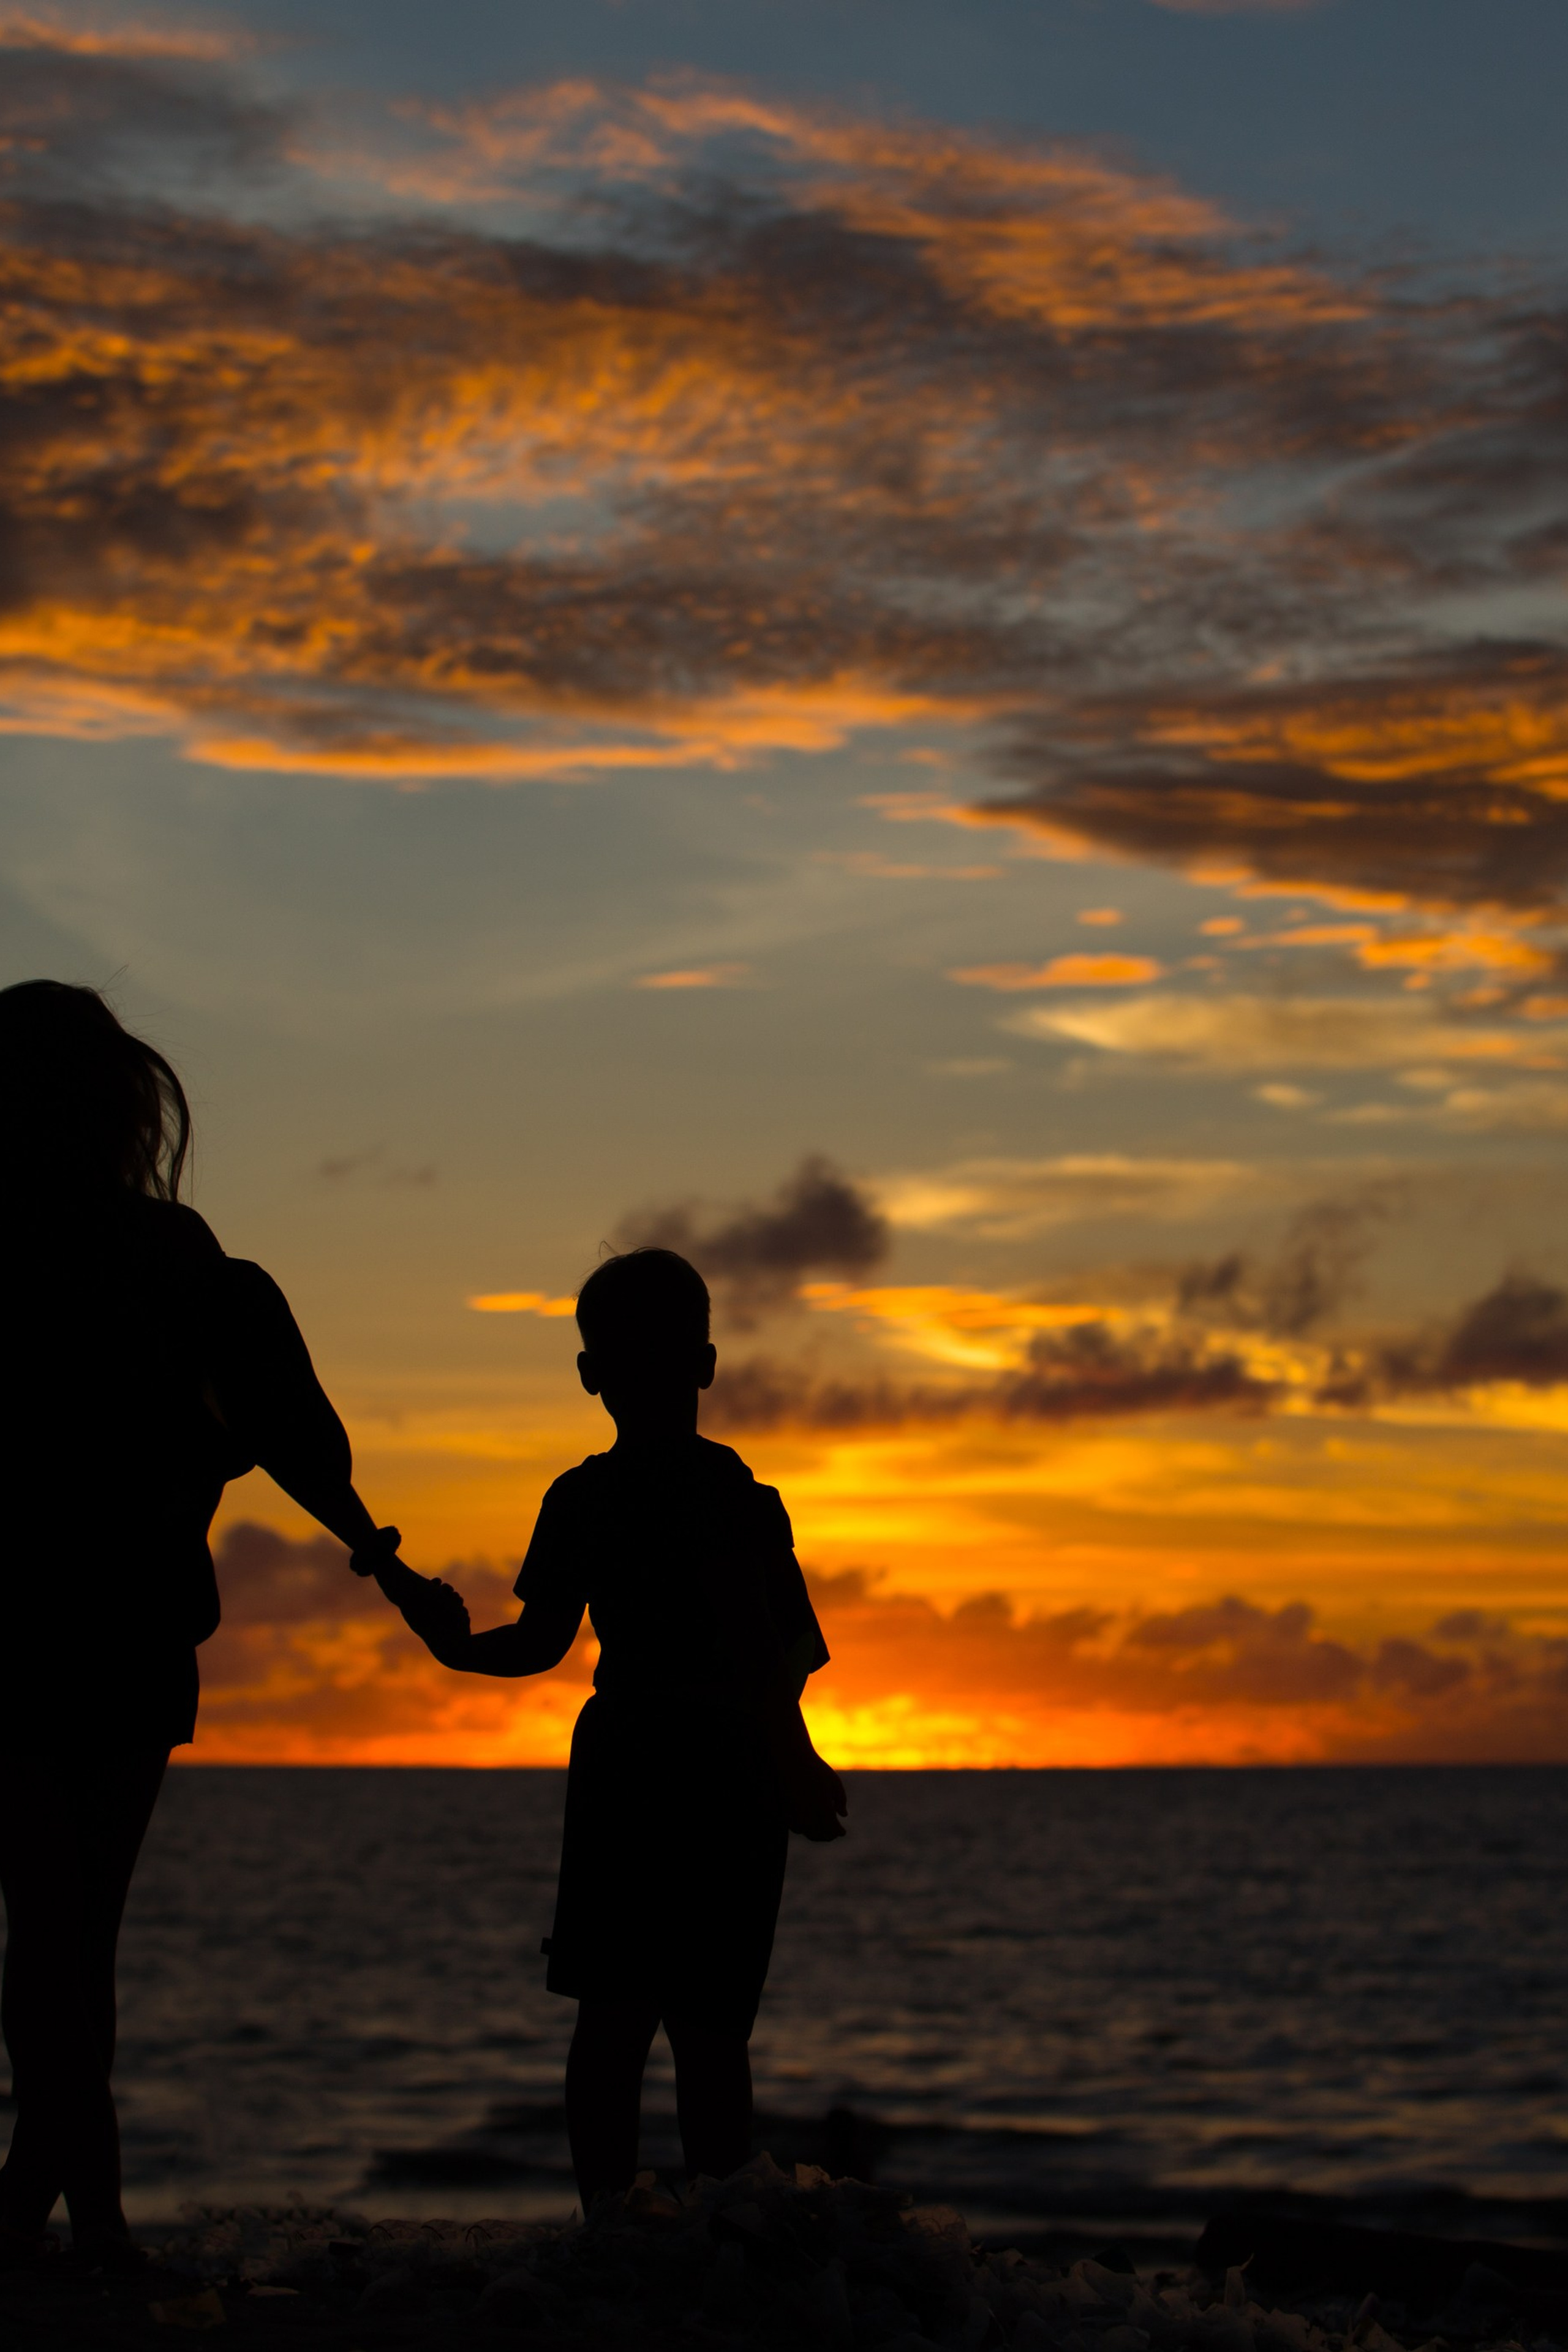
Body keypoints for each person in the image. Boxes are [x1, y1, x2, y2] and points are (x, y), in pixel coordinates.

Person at [0, 980, 410, 2274]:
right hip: (131, 1629)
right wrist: (382, 1560)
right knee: (76, 1943)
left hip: (29, 1634)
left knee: (47, 1940)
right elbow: (297, 1438)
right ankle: (77, 2221)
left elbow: (286, 1434)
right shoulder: (178, 1257)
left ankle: (68, 2218)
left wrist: (381, 1557)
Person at [371, 1246, 846, 2208]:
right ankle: (713, 2229)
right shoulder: (736, 1497)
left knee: (616, 2020)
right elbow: (778, 1655)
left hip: (631, 1762)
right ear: (705, 1364)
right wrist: (793, 1757)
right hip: (723, 1767)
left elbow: (538, 1645)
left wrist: (454, 1651)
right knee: (707, 2030)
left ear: (591, 1375)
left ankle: (612, 2231)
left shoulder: (589, 1498)